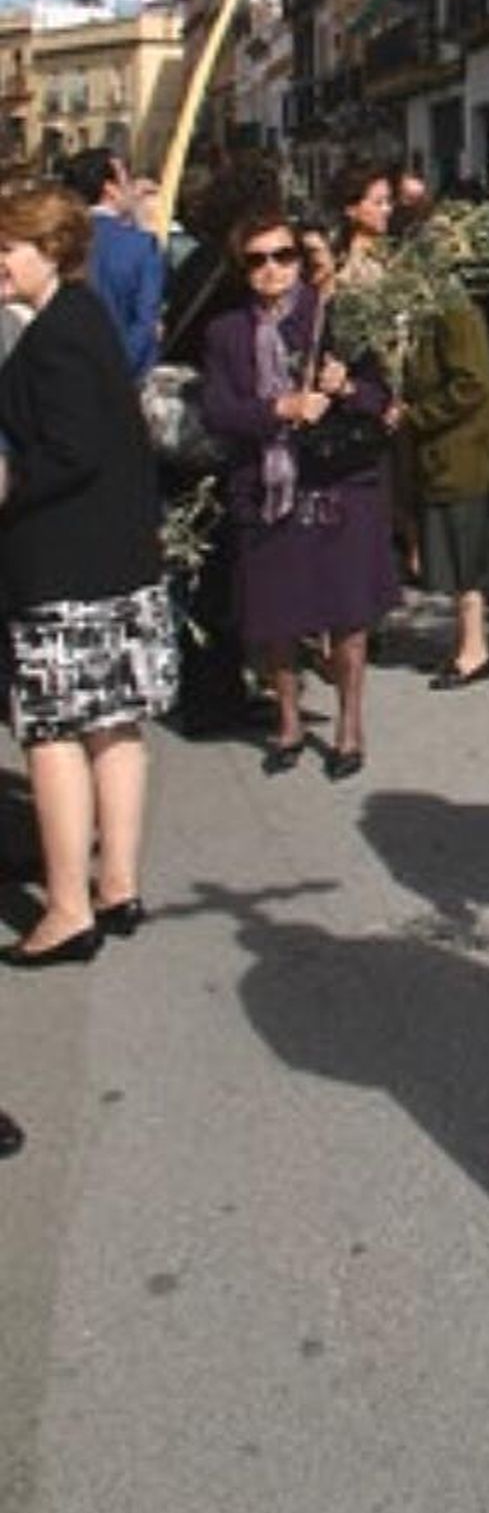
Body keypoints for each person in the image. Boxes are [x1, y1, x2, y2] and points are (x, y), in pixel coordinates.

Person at [0, 182, 178, 965]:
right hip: (114, 561)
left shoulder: (58, 333)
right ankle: (118, 882)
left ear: (53, 250)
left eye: (8, 248)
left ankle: (69, 905)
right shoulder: (83, 320)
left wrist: (8, 482)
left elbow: (70, 451)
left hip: (65, 567)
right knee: (115, 727)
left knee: (55, 733)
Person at [201, 209, 397, 779]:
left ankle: (349, 726)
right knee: (277, 616)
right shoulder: (225, 332)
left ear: (301, 260)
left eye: (283, 256)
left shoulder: (336, 316)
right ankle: (286, 721)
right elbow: (216, 411)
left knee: (347, 613)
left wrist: (347, 386)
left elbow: (383, 397)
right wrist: (277, 410)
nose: (272, 269)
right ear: (242, 267)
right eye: (257, 259)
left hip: (337, 483)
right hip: (266, 487)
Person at [403, 278, 489, 687]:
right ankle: (467, 645)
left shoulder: (455, 310)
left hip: (465, 452)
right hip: (451, 452)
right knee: (458, 551)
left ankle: (474, 650)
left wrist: (415, 416)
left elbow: (471, 383)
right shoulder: (438, 307)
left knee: (466, 552)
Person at [60, 145, 164, 378]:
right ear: (110, 189)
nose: (131, 189)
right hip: (126, 377)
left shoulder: (60, 243)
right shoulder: (141, 245)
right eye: (126, 180)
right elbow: (145, 319)